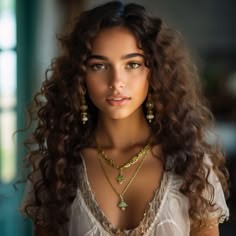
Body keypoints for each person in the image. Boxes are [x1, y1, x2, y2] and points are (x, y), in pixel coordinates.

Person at [20, 1, 229, 235]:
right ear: (79, 75)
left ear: (155, 71)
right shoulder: (56, 168)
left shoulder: (192, 168)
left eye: (132, 64)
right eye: (99, 65)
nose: (116, 81)